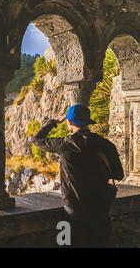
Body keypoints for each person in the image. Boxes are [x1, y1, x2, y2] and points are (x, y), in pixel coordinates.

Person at [32, 104, 124, 247]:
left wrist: (53, 122)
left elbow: (37, 140)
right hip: (100, 210)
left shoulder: (64, 145)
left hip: (73, 211)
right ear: (88, 122)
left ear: (69, 122)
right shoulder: (106, 145)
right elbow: (119, 174)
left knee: (68, 243)